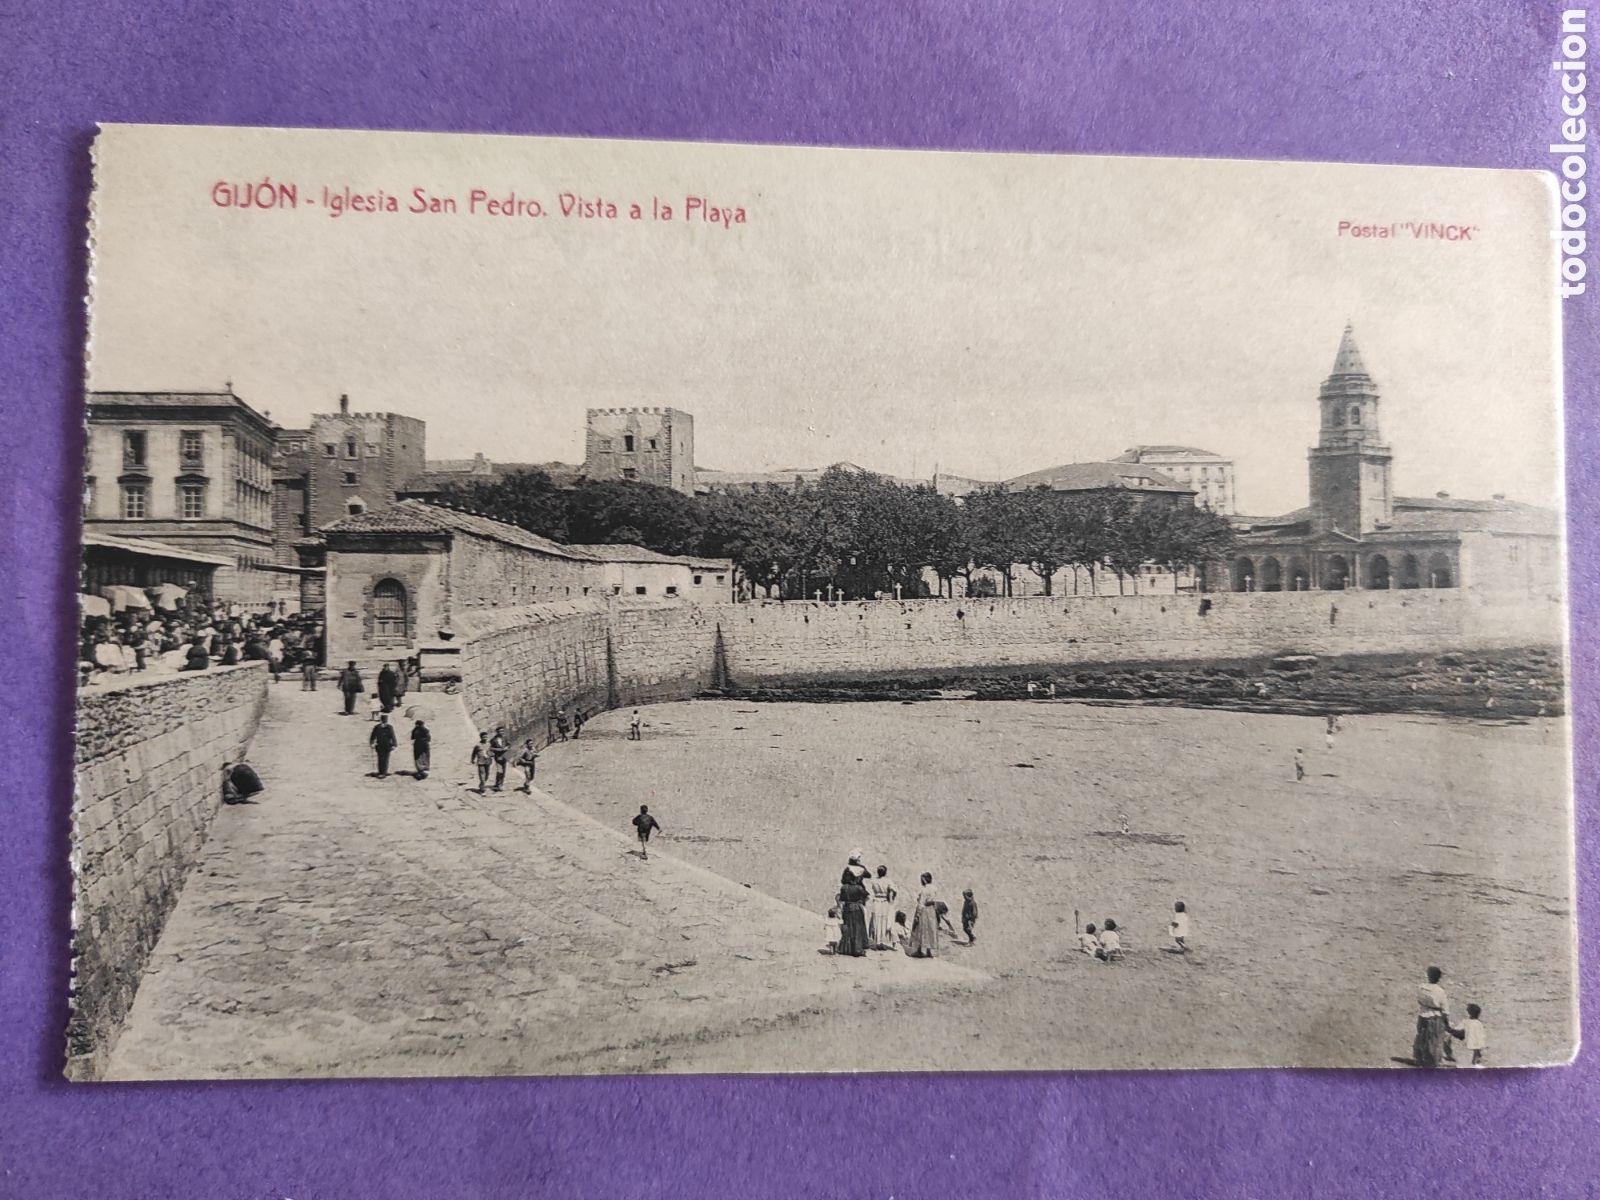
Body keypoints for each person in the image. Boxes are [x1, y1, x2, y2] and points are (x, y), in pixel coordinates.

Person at [1413, 966, 1452, 1067]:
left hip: (1422, 1014)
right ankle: (1432, 1062)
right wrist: (1446, 1022)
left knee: (1421, 1037)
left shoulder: (1421, 987)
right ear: (1439, 978)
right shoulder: (1440, 991)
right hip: (1434, 1017)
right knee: (1434, 1040)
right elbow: (1445, 1010)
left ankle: (1420, 1058)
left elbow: (1419, 1000)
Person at [836, 860, 871, 957]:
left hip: (847, 908)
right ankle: (857, 948)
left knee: (848, 928)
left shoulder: (844, 887)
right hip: (856, 907)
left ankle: (846, 948)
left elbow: (842, 898)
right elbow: (867, 896)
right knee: (857, 928)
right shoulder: (859, 888)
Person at [907, 872, 939, 958]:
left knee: (921, 930)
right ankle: (929, 951)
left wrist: (917, 914)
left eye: (922, 879)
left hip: (924, 911)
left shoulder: (924, 890)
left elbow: (921, 903)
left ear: (924, 880)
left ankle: (920, 950)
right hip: (931, 911)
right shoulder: (934, 888)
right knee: (930, 929)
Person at [866, 865, 898, 950]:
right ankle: (882, 942)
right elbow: (894, 890)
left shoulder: (874, 881)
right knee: (884, 921)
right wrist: (891, 898)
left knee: (876, 921)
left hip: (876, 901)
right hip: (884, 902)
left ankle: (877, 942)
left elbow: (873, 889)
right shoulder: (888, 881)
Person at [489, 726, 510, 792]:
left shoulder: (505, 738)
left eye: (502, 731)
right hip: (498, 757)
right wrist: (498, 749)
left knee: (503, 771)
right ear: (497, 732)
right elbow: (491, 748)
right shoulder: (493, 740)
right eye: (500, 731)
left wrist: (507, 747)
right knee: (499, 771)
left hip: (505, 756)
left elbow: (509, 744)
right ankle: (499, 785)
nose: (501, 732)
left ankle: (499, 784)